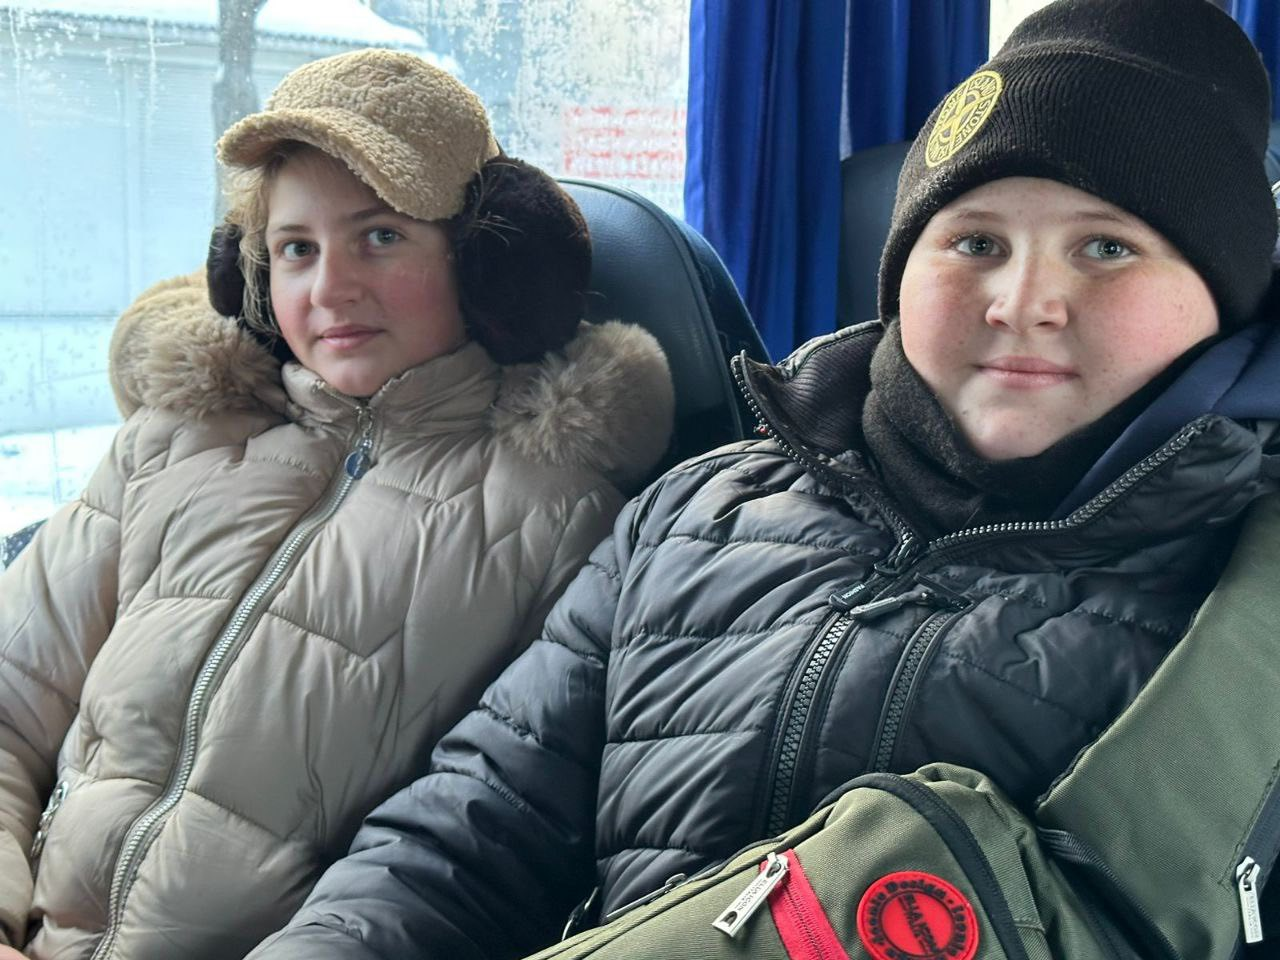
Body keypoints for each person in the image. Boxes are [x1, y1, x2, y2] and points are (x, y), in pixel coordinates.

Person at [247, 1, 1280, 957]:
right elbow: (470, 837)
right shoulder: (694, 512)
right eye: (973, 240)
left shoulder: (1251, 608)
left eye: (1105, 247)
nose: (1022, 300)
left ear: (1223, 299)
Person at [0, 49, 674, 960]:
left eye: (381, 236)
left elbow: (478, 851)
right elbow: (11, 700)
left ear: (486, 263)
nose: (329, 289)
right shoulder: (171, 441)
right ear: (251, 273)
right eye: (296, 249)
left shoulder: (556, 520)